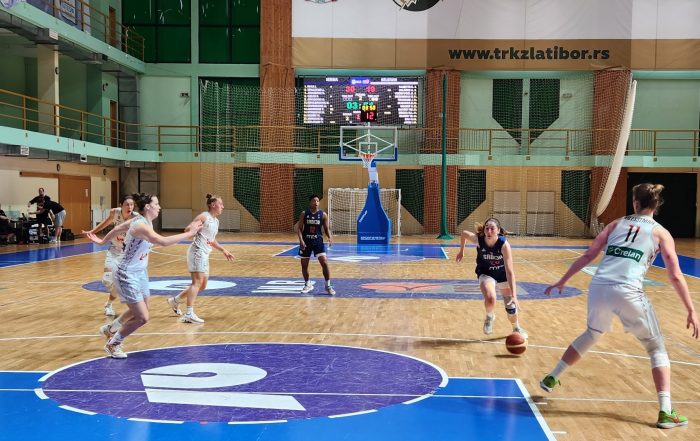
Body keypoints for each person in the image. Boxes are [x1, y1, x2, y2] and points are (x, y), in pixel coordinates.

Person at [540, 183, 699, 429]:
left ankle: (552, 376)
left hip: (599, 287)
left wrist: (563, 280)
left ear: (635, 203)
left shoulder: (616, 224)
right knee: (656, 347)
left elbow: (589, 255)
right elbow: (675, 275)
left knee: (592, 333)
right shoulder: (661, 233)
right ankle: (666, 411)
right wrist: (691, 309)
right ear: (656, 204)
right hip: (627, 290)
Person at [86, 193, 202, 359]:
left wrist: (102, 241)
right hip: (126, 273)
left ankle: (110, 328)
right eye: (156, 204)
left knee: (142, 310)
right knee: (142, 318)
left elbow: (118, 229)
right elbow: (163, 242)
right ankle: (113, 343)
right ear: (148, 207)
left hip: (140, 272)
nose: (159, 207)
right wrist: (190, 233)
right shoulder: (140, 225)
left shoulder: (142, 221)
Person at [166, 194, 234, 323]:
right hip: (197, 252)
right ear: (213, 205)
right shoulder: (204, 216)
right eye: (221, 204)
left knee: (202, 285)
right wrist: (194, 228)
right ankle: (189, 314)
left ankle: (175, 301)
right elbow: (187, 229)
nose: (223, 206)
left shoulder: (216, 221)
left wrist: (223, 250)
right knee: (196, 283)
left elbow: (211, 239)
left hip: (205, 253)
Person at [455, 217, 527, 338]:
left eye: (492, 228)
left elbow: (510, 272)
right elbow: (464, 234)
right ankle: (489, 317)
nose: (488, 231)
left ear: (498, 230)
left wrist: (514, 296)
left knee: (511, 307)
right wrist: (461, 251)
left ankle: (516, 327)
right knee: (490, 298)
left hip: (502, 274)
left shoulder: (504, 245)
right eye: (486, 228)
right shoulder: (479, 240)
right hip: (485, 273)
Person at [82, 194, 138, 316]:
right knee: (107, 279)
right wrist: (91, 232)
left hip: (127, 255)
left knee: (119, 284)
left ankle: (109, 305)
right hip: (113, 250)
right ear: (121, 205)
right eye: (127, 204)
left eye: (132, 204)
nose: (130, 207)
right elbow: (105, 223)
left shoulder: (136, 218)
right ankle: (113, 303)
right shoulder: (114, 213)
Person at [297, 194, 335, 295]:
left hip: (318, 242)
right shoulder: (304, 214)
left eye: (318, 201)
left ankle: (328, 286)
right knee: (304, 265)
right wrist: (301, 241)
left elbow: (326, 229)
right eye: (314, 201)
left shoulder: (323, 214)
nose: (316, 203)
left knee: (324, 263)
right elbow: (299, 229)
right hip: (306, 242)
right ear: (310, 202)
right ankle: (307, 284)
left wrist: (330, 237)